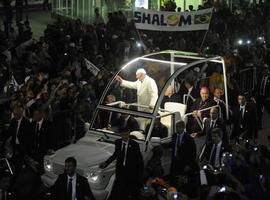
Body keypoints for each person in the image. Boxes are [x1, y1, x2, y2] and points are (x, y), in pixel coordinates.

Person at [99, 127, 144, 200]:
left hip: (130, 171)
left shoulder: (134, 145)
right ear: (120, 135)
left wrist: (139, 174)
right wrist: (106, 163)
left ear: (129, 134)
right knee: (118, 189)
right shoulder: (118, 142)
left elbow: (139, 160)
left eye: (126, 135)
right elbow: (115, 154)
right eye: (123, 135)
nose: (125, 137)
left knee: (128, 190)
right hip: (120, 170)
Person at [170, 121, 198, 188]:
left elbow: (193, 153)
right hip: (175, 162)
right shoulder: (174, 136)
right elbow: (171, 144)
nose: (177, 129)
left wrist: (189, 165)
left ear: (183, 127)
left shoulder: (189, 138)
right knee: (173, 181)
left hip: (184, 163)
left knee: (184, 182)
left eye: (179, 127)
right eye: (176, 127)